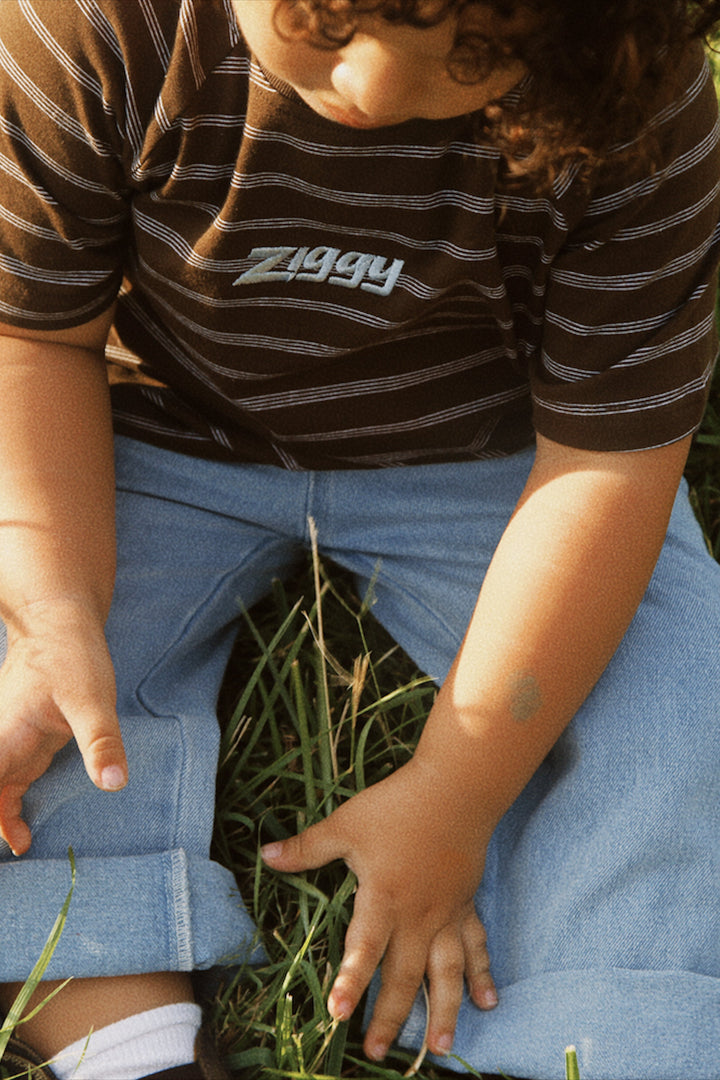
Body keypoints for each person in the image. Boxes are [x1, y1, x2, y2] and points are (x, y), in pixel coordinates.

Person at [0, 0, 719, 1077]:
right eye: (324, 18)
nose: (372, 89)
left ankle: (611, 1022)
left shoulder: (634, 97)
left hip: (500, 466)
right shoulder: (94, 26)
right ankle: (126, 1037)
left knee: (675, 690)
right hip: (144, 433)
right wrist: (52, 604)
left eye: (474, 53)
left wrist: (457, 792)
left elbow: (605, 467)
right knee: (29, 687)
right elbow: (32, 338)